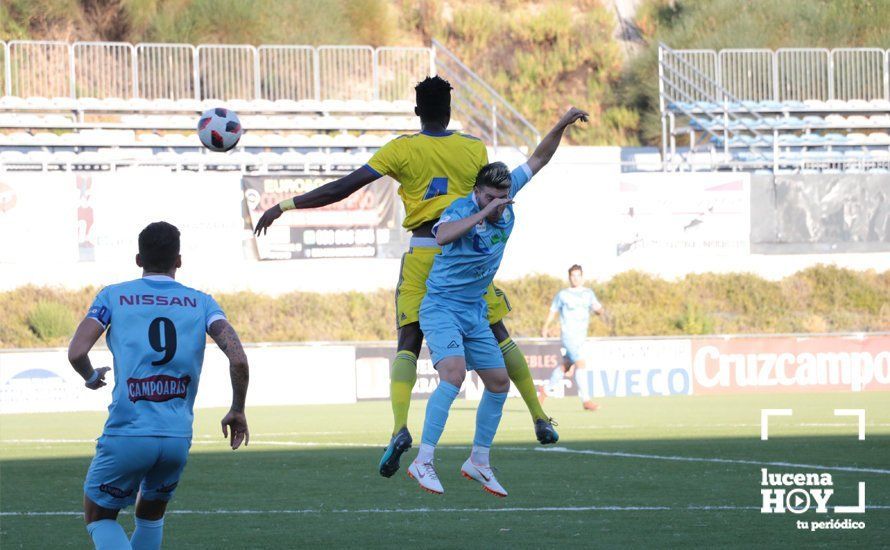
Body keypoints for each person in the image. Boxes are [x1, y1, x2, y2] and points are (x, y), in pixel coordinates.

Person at [253, 76, 558, 479]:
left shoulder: (402, 148)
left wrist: (286, 205)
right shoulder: (473, 147)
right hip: (469, 252)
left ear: (417, 111)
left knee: (409, 342)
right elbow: (494, 189)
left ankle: (399, 427)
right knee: (496, 332)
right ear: (450, 111)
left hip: (425, 251)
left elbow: (345, 188)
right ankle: (538, 415)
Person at [407, 107, 588, 497]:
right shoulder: (462, 208)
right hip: (440, 306)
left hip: (473, 312)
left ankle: (479, 461)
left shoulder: (506, 194)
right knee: (453, 376)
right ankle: (423, 460)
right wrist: (484, 212)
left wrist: (560, 123)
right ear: (478, 191)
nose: (501, 203)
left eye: (505, 197)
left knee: (499, 382)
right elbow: (441, 236)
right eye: (493, 197)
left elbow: (538, 159)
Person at [68, 221, 250, 550]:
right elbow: (237, 358)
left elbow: (77, 351)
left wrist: (91, 377)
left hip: (128, 432)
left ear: (139, 259)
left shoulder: (113, 296)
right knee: (150, 516)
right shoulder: (202, 303)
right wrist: (237, 409)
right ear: (178, 260)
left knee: (99, 517)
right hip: (177, 437)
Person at [540, 264, 609, 411]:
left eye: (578, 275)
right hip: (568, 336)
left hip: (581, 337)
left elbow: (597, 308)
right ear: (569, 277)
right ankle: (586, 400)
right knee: (581, 364)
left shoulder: (588, 293)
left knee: (566, 366)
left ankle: (545, 390)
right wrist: (546, 326)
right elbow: (553, 311)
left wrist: (601, 311)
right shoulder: (563, 294)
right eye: (573, 276)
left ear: (582, 277)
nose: (576, 278)